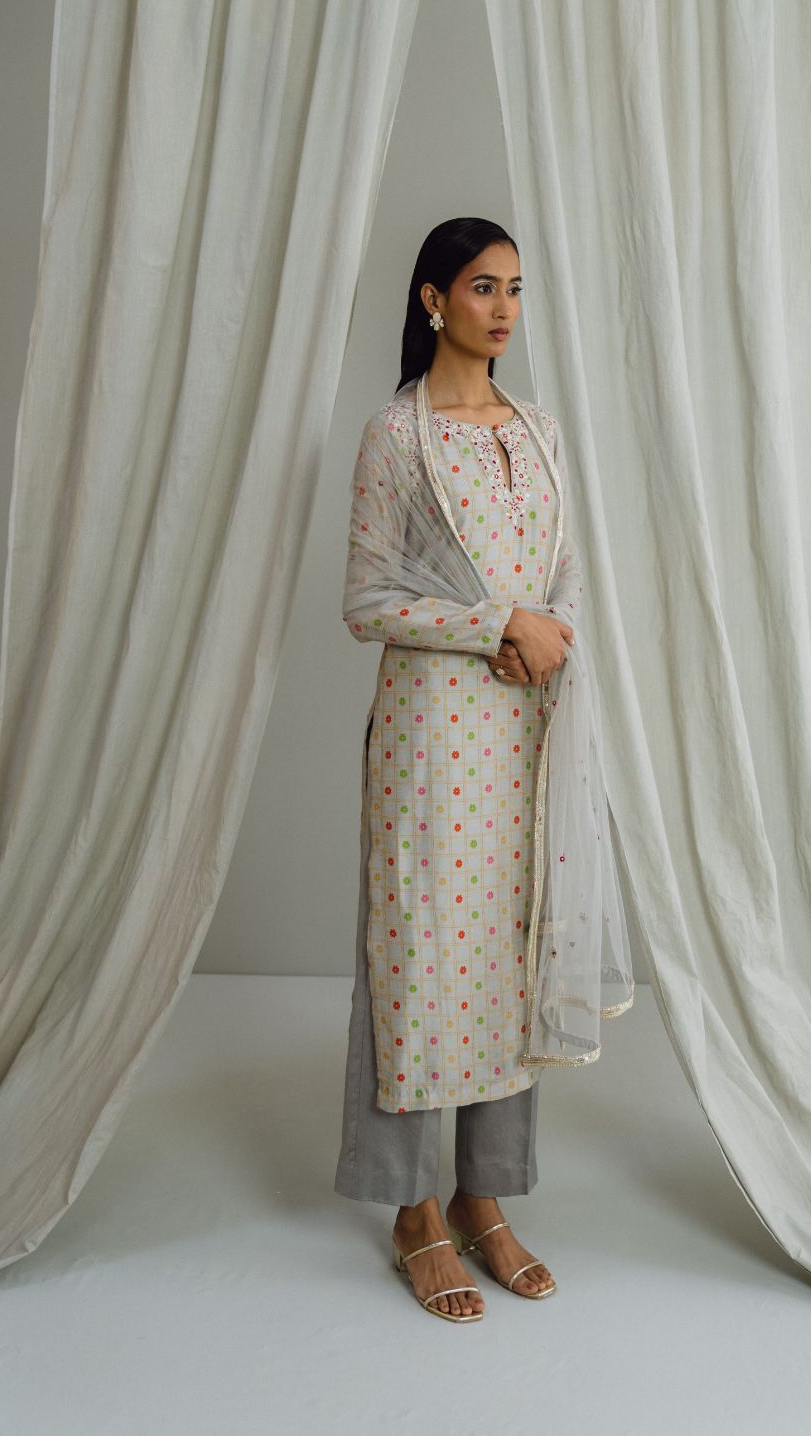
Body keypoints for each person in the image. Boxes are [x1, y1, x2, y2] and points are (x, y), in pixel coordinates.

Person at [333, 218, 581, 1321]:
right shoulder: (397, 435)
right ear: (433, 299)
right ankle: (412, 1208)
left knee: (510, 953)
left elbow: (568, 572)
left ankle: (485, 1196)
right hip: (433, 734)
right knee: (421, 951)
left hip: (528, 723)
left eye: (516, 289)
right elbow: (366, 600)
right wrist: (496, 625)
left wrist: (550, 634)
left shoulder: (538, 431)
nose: (505, 309)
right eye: (484, 288)